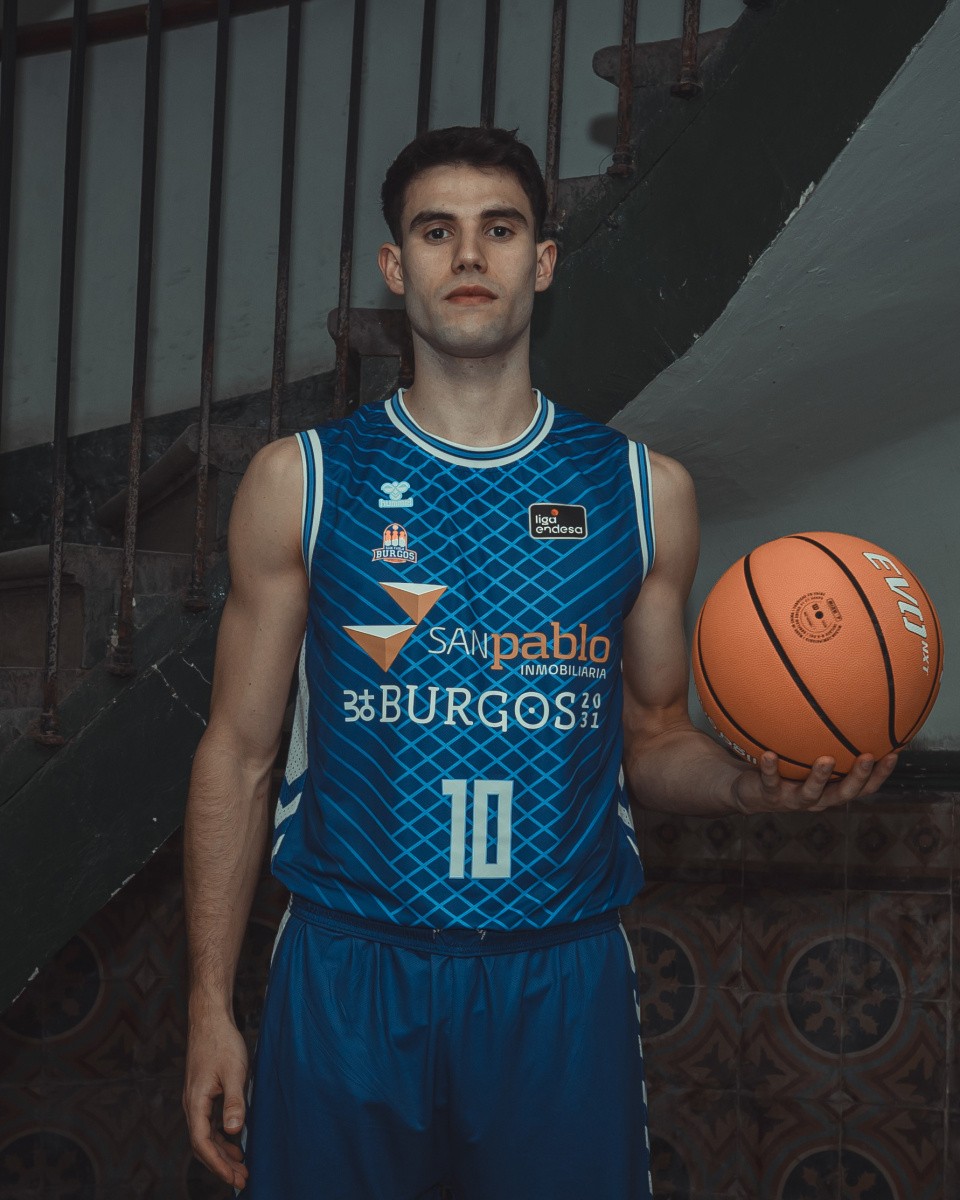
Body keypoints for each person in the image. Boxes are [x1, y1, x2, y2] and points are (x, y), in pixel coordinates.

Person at [182, 126, 897, 1199]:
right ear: (396, 268)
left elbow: (655, 739)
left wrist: (750, 785)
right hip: (349, 970)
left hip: (558, 979)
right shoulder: (306, 482)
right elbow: (238, 756)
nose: (470, 255)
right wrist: (207, 1005)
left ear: (544, 262)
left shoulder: (644, 495)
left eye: (501, 229)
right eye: (437, 232)